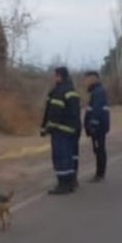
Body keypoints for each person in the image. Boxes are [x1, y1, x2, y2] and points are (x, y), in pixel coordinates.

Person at [41, 67, 81, 195]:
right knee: (69, 156)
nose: (54, 78)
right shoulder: (72, 90)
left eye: (55, 76)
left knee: (60, 157)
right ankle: (70, 182)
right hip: (72, 130)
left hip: (60, 130)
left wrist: (47, 128)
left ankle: (63, 185)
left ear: (59, 76)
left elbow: (54, 113)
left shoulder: (59, 92)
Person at [83, 71, 110, 182]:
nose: (85, 82)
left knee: (99, 149)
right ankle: (100, 173)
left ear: (94, 79)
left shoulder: (98, 92)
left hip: (99, 127)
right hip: (99, 126)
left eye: (87, 79)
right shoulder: (96, 91)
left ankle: (100, 174)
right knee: (98, 149)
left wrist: (93, 124)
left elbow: (96, 110)